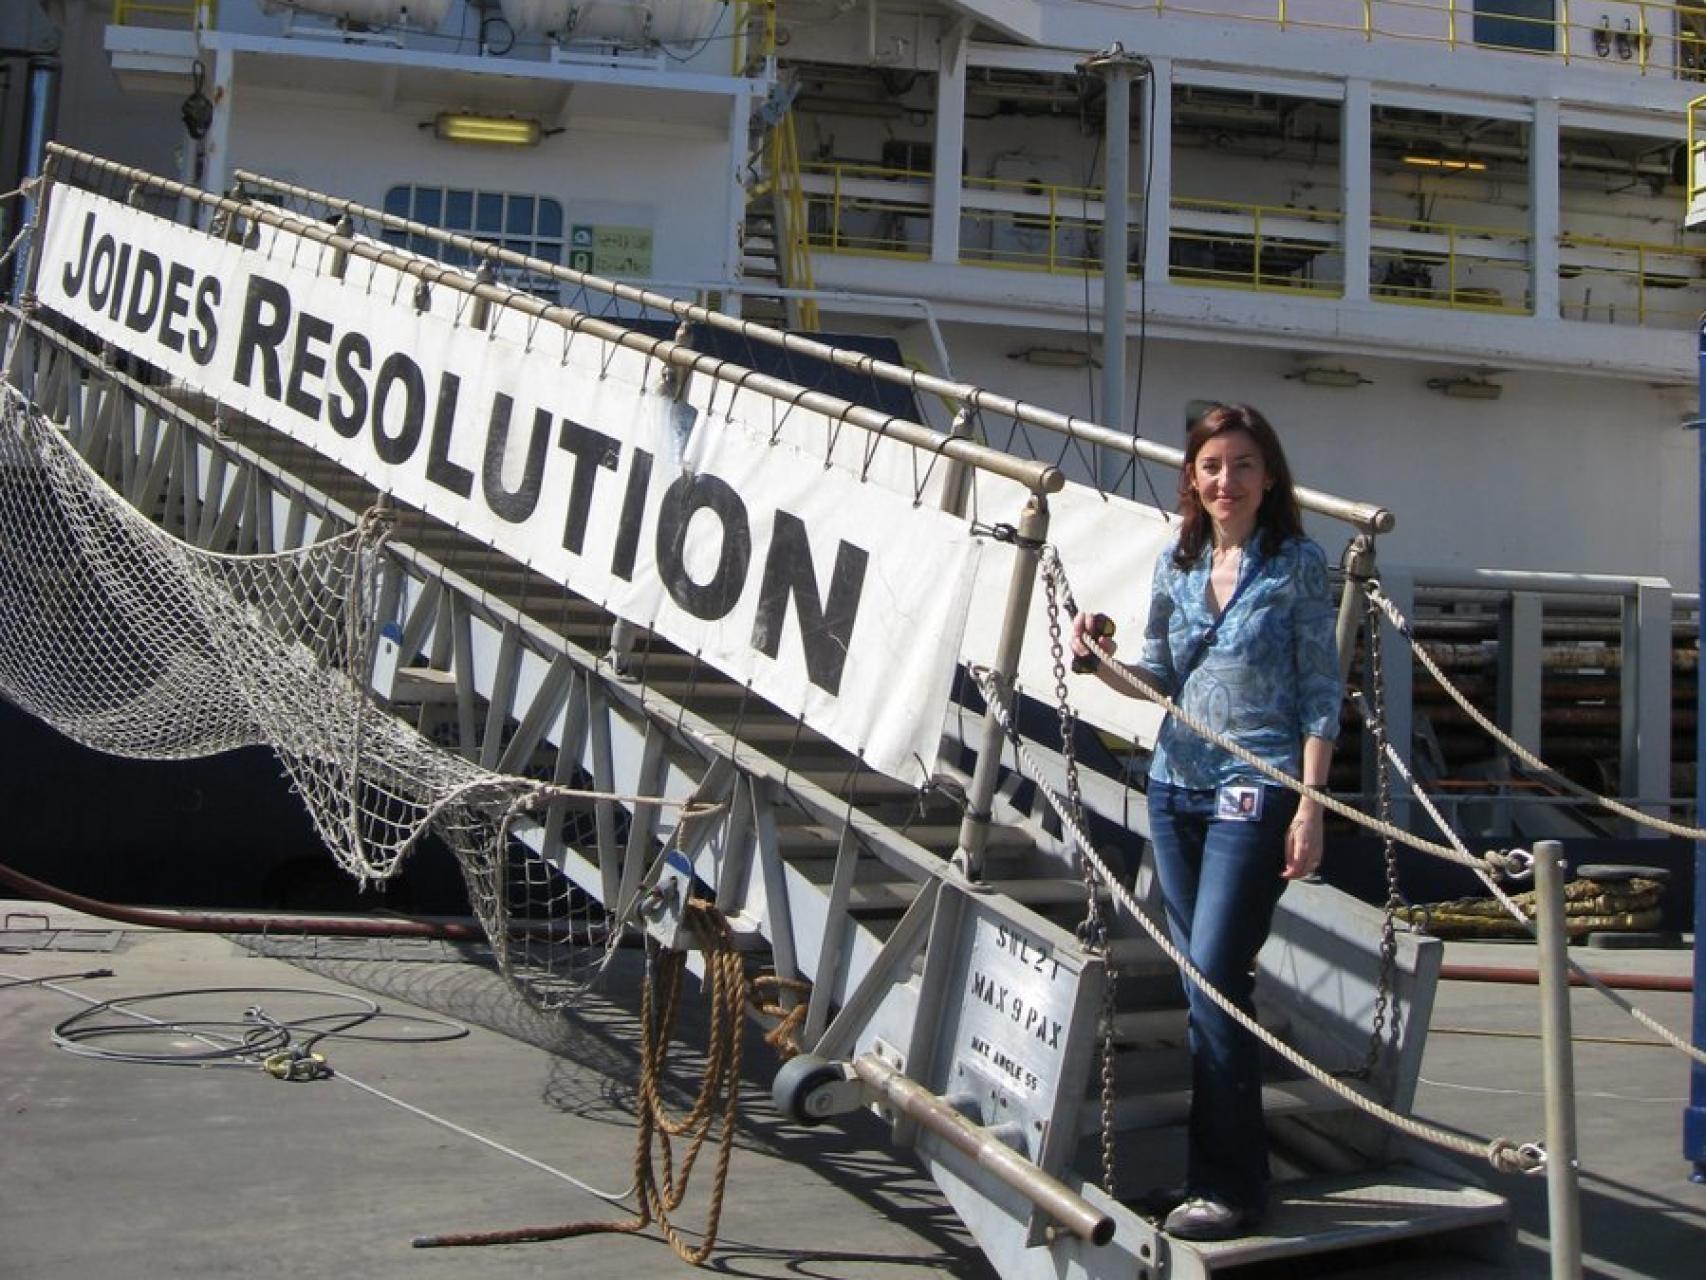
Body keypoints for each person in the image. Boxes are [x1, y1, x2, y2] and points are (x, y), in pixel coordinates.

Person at [1070, 403, 1342, 1241]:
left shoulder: (1297, 563)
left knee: (1217, 978)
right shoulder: (1177, 565)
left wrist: (1311, 806)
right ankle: (1234, 1178)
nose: (1228, 480)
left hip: (1254, 789)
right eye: (1213, 465)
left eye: (1245, 465)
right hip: (1176, 788)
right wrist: (1097, 659)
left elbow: (1320, 692)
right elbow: (1157, 679)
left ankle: (1224, 1185)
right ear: (1193, 478)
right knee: (1206, 991)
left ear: (1270, 479)